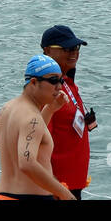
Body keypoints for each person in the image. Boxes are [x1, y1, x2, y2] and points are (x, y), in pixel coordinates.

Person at [0, 55, 76, 200]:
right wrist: (65, 194)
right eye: (53, 81)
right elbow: (27, 164)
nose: (59, 86)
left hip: (6, 195)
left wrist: (50, 109)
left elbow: (33, 137)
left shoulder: (8, 108)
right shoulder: (32, 117)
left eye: (61, 80)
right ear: (33, 82)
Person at [41, 26, 97, 200]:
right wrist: (53, 185)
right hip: (58, 188)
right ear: (47, 51)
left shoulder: (66, 80)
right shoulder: (47, 89)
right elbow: (40, 142)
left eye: (75, 48)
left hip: (74, 183)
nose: (73, 52)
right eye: (66, 48)